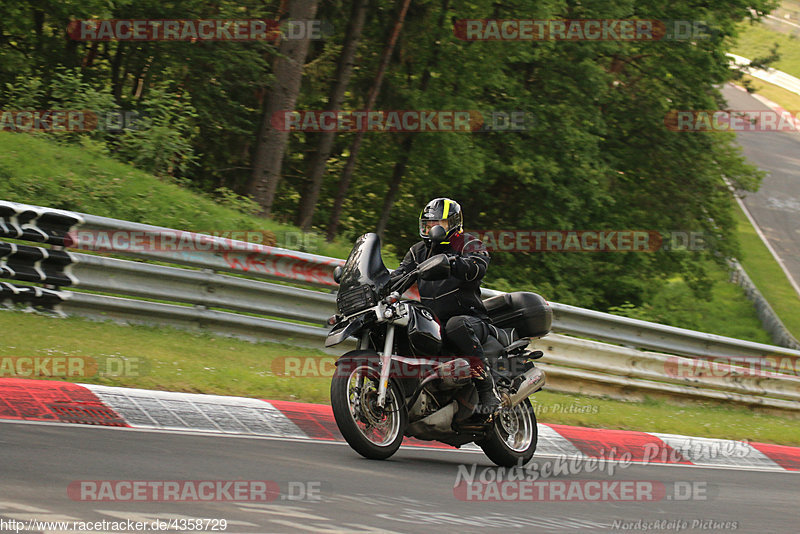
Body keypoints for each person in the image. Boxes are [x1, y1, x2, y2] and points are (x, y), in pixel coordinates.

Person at [389, 197, 501, 419]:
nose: (432, 229)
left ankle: (488, 390)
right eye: (429, 224)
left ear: (453, 223)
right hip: (435, 322)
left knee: (456, 325)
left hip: (471, 319)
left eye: (438, 223)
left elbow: (477, 266)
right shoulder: (418, 251)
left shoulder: (468, 244)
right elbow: (399, 275)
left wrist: (451, 263)